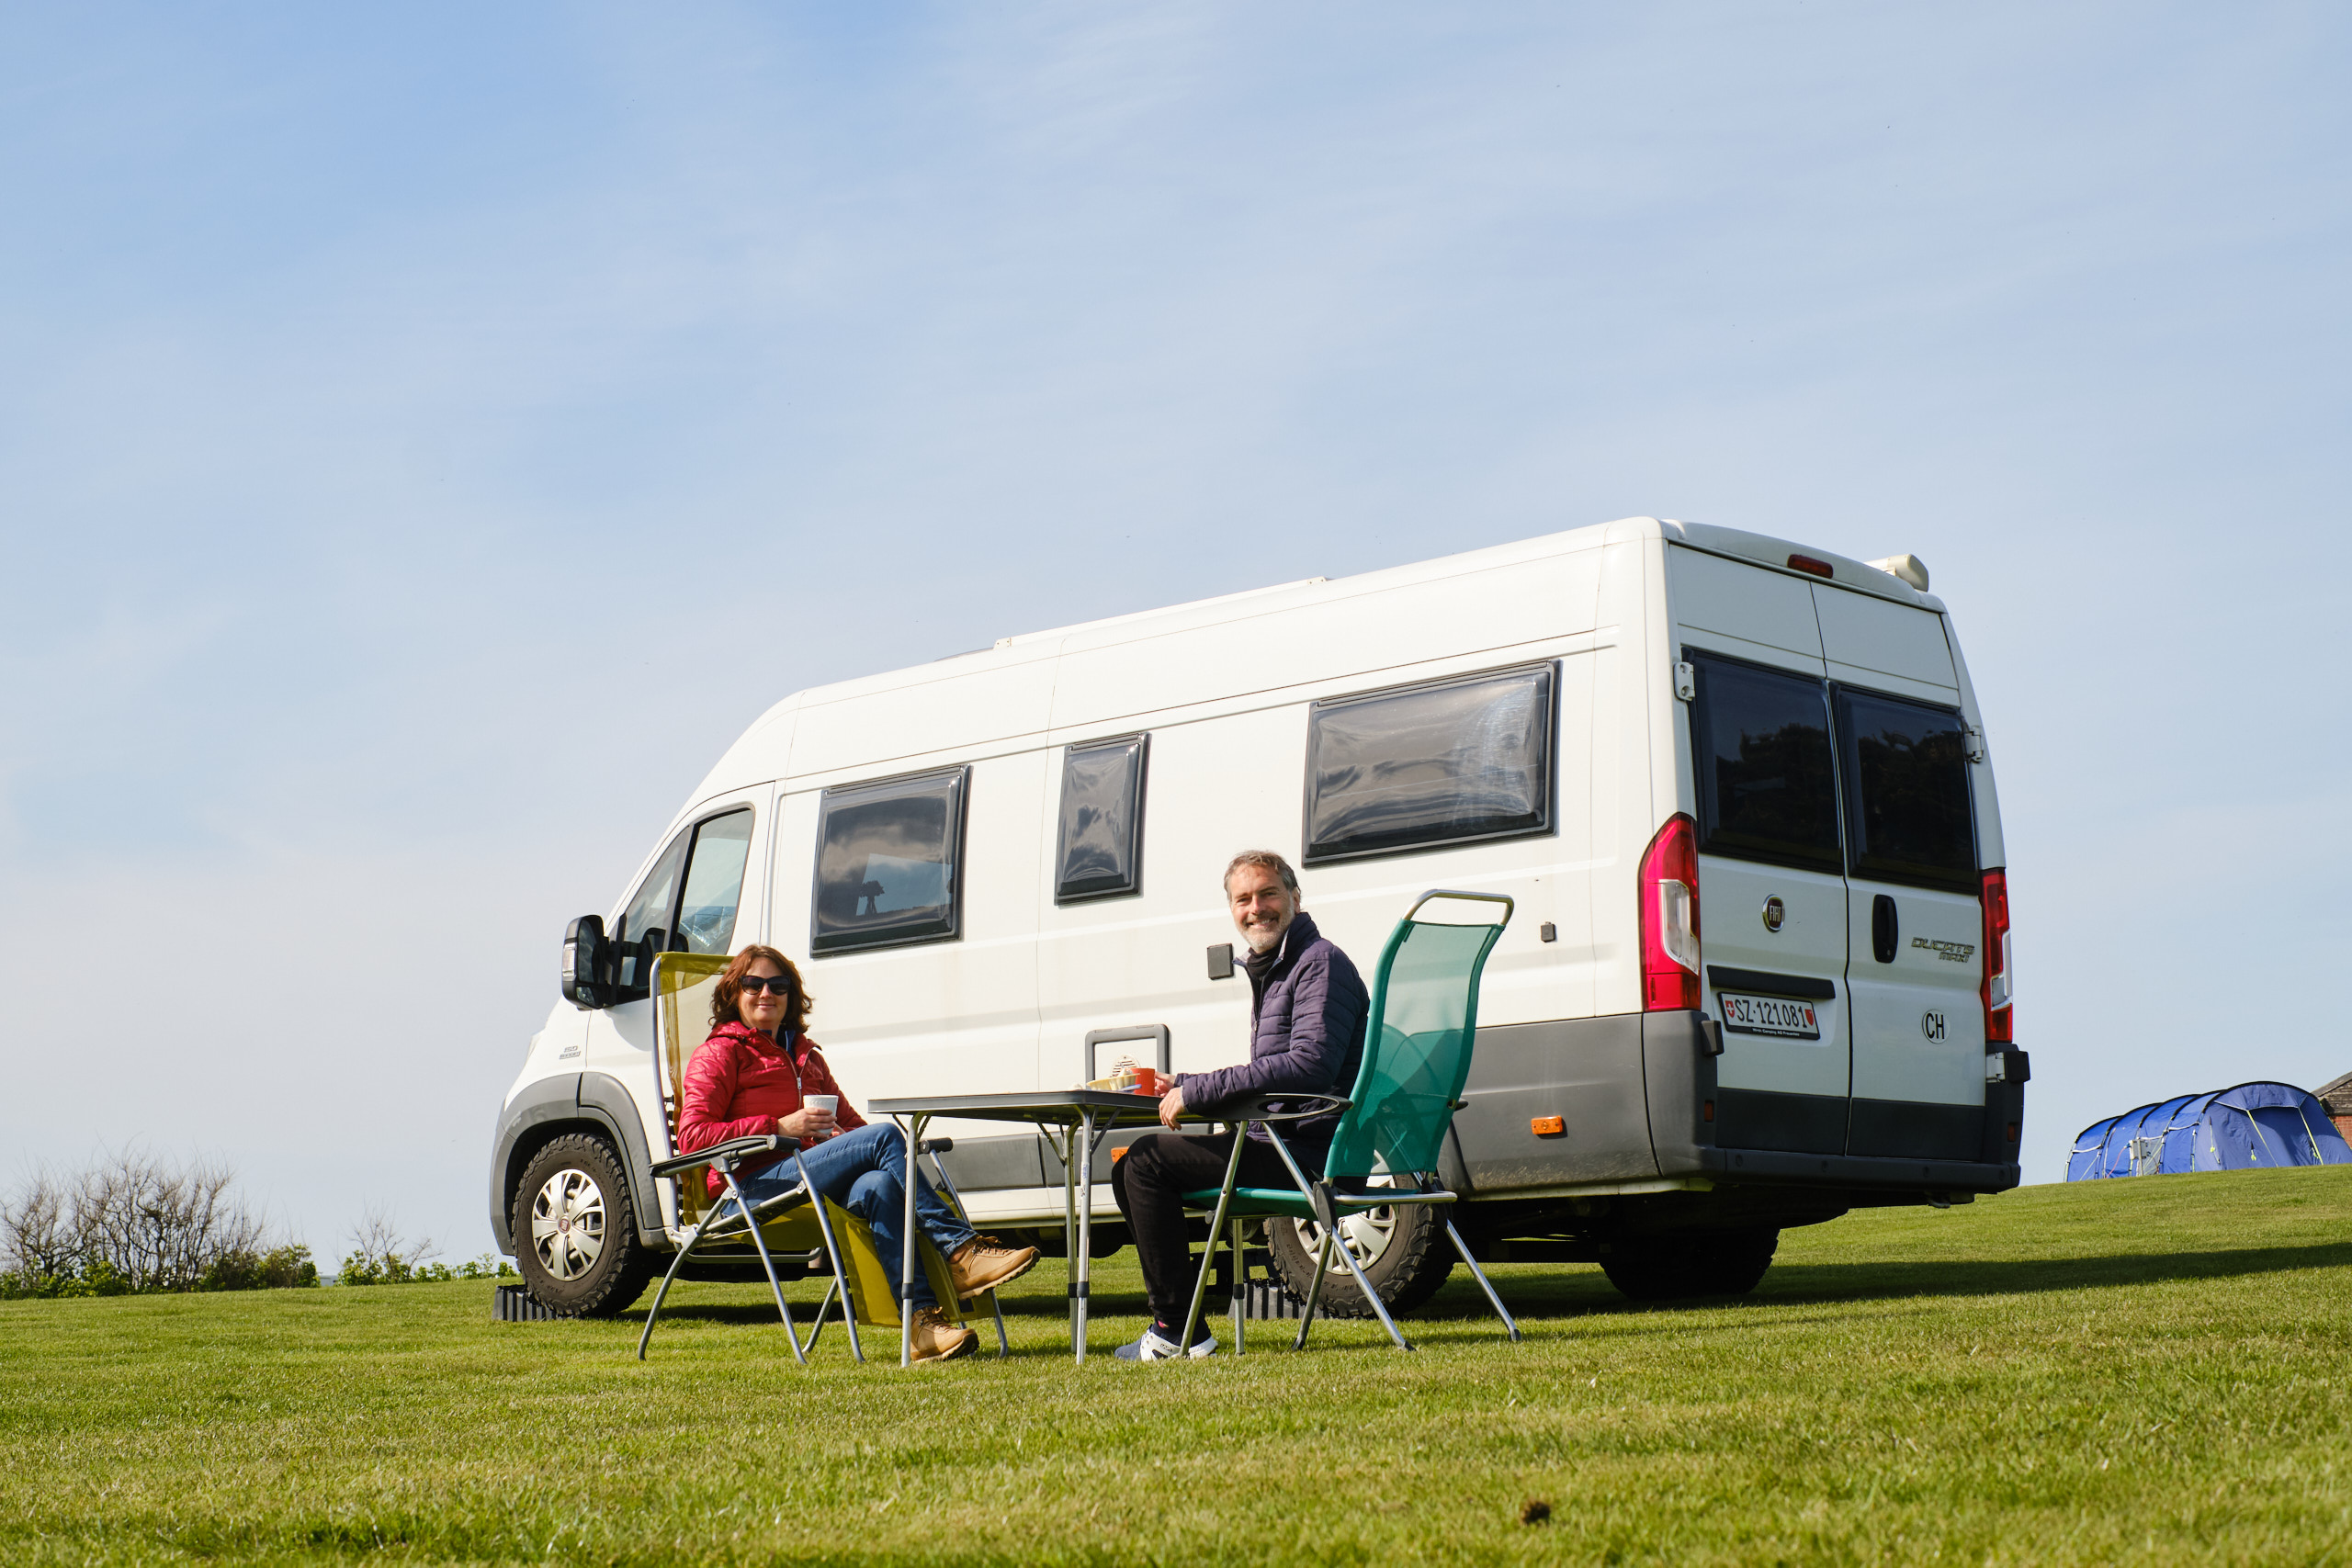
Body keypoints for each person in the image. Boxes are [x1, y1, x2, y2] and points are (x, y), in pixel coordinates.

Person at [676, 943, 1038, 1363]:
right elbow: (693, 1137)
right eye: (752, 984)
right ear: (733, 993)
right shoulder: (720, 1053)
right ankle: (960, 1251)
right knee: (885, 1136)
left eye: (777, 985)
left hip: (809, 1181)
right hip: (750, 1189)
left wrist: (847, 1137)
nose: (765, 993)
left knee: (881, 1183)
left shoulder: (806, 1057)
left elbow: (853, 1127)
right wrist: (777, 1127)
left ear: (791, 996)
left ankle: (921, 1324)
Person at [1110, 851, 1370, 1360]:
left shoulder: (1320, 962)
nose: (1257, 907)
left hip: (1305, 1154)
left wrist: (1199, 1093)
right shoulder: (1282, 967)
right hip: (1282, 1141)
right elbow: (1275, 1072)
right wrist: (1181, 1084)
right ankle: (1181, 1325)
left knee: (1145, 1163)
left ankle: (1174, 1333)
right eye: (1243, 899)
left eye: (1268, 893)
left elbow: (1307, 1066)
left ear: (1295, 899)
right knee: (1129, 1169)